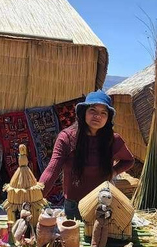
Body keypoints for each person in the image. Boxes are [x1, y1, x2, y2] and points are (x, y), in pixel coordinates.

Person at [39, 91, 134, 219]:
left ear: (108, 118)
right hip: (74, 205)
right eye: (93, 110)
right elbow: (52, 169)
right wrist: (37, 196)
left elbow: (129, 160)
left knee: (99, 234)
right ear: (83, 112)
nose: (97, 116)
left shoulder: (113, 140)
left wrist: (113, 172)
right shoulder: (67, 138)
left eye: (103, 113)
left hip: (101, 203)